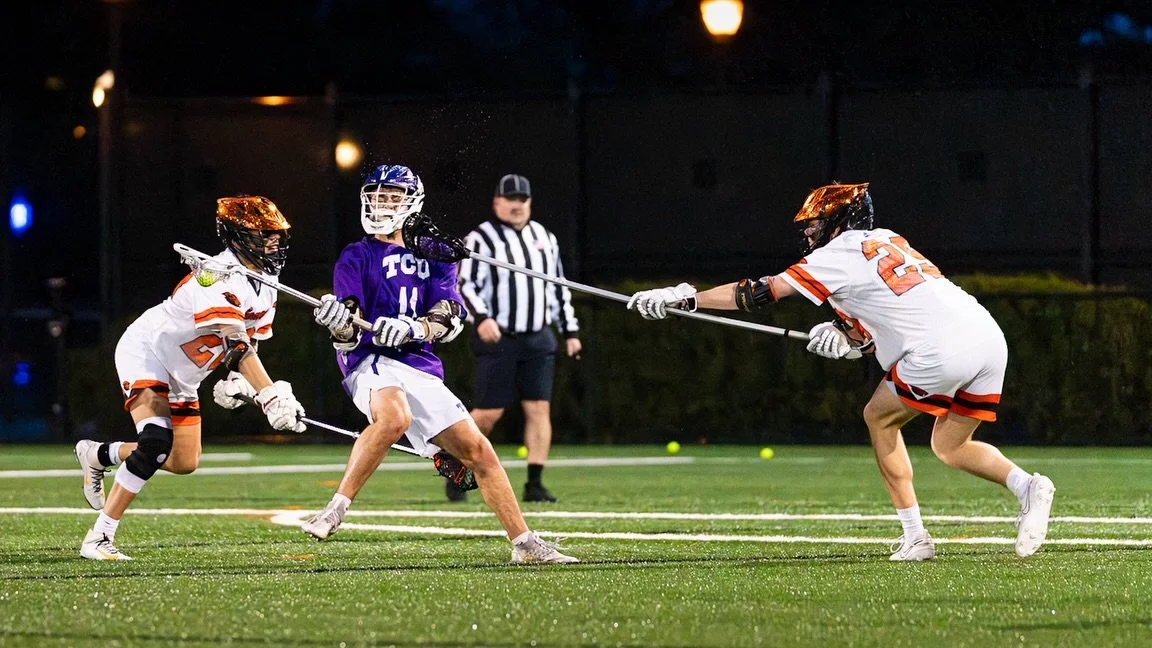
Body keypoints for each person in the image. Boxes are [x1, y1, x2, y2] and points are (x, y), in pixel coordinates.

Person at [626, 182, 1055, 561]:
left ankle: (915, 536)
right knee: (948, 444)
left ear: (839, 220)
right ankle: (1027, 486)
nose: (809, 232)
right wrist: (849, 337)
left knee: (878, 417)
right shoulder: (888, 239)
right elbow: (891, 310)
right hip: (986, 336)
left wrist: (685, 298)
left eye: (816, 223)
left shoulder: (839, 252)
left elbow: (760, 292)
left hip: (940, 348)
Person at [306, 164, 577, 564]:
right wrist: (340, 326)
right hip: (371, 360)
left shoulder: (435, 253)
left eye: (391, 196)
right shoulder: (356, 255)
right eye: (376, 196)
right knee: (393, 418)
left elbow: (448, 314)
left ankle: (524, 543)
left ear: (411, 202)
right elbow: (348, 324)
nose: (382, 203)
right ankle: (336, 507)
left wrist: (415, 328)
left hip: (417, 361)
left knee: (479, 453)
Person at [73, 195, 308, 560]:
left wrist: (241, 384)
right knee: (155, 440)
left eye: (277, 234)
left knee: (183, 461)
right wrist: (271, 396)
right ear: (238, 236)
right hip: (147, 352)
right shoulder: (215, 276)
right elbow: (236, 344)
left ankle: (100, 454)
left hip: (185, 373)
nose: (274, 242)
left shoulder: (267, 277)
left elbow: (250, 344)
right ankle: (99, 536)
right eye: (264, 234)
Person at [452, 173, 582, 503]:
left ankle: (534, 481)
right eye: (510, 199)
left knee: (539, 408)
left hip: (538, 335)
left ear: (530, 202)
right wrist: (480, 318)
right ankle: (457, 467)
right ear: (497, 201)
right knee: (488, 413)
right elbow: (464, 284)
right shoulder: (480, 238)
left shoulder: (545, 238)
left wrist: (569, 330)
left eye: (522, 199)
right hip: (500, 336)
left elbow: (557, 286)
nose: (516, 205)